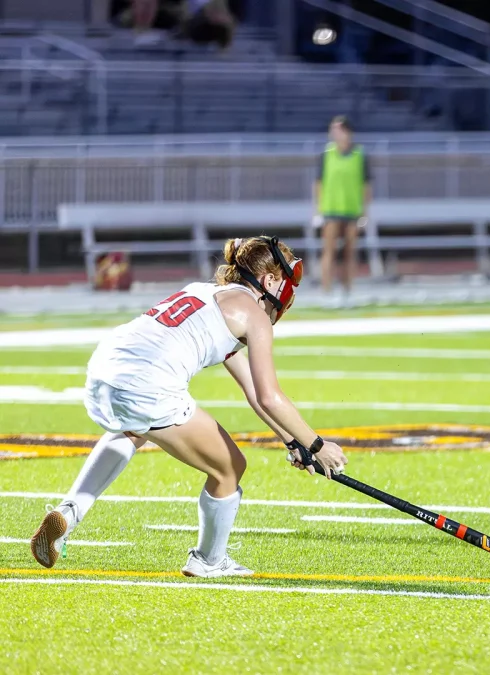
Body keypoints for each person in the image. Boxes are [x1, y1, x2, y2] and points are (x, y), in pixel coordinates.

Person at [30, 236, 349, 578]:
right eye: (286, 282)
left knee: (136, 429)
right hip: (148, 382)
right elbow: (270, 396)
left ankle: (70, 511)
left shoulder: (203, 290)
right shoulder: (253, 315)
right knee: (229, 469)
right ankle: (209, 560)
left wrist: (293, 440)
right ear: (270, 280)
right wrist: (317, 444)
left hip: (103, 370)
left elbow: (253, 391)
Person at [313, 116, 372, 305]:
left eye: (337, 129)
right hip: (331, 209)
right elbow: (319, 183)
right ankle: (326, 289)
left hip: (352, 210)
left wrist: (365, 211)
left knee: (349, 251)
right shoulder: (327, 154)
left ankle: (348, 289)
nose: (334, 133)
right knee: (328, 251)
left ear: (347, 132)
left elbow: (366, 185)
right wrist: (318, 209)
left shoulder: (359, 155)